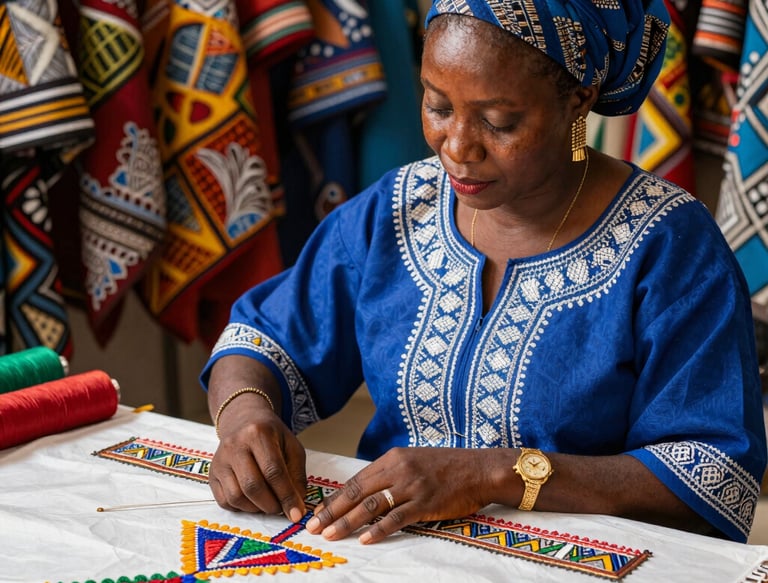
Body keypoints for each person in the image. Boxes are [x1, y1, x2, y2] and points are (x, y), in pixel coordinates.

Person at [201, 0, 768, 546]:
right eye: (437, 106)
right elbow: (263, 338)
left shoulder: (669, 246)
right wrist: (245, 416)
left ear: (580, 98)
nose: (457, 147)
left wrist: (496, 474)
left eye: (498, 121)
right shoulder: (399, 209)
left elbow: (713, 477)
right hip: (391, 556)